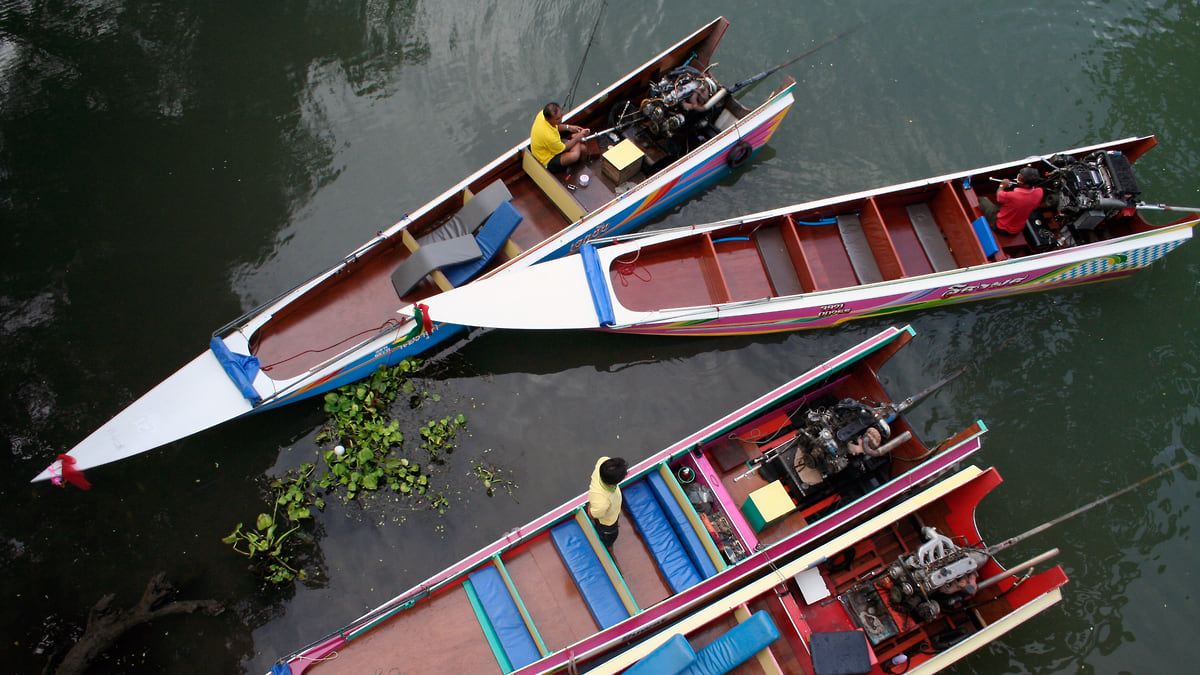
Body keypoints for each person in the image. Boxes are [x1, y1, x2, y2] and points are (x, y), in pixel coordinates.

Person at [980, 166, 1045, 235]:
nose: (1017, 179)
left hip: (1001, 227)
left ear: (1027, 185)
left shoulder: (1013, 196)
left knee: (982, 199)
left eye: (1020, 179)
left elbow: (999, 196)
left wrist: (1002, 185)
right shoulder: (1039, 192)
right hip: (1017, 229)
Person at [530, 102, 590, 174]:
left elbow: (555, 125)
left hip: (552, 146)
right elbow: (564, 148)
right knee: (575, 155)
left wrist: (569, 127)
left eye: (561, 115)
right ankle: (568, 168)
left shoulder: (542, 115)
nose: (561, 119)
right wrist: (578, 137)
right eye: (558, 119)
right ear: (548, 119)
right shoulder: (549, 137)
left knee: (583, 148)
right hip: (547, 159)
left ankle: (582, 167)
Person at [587, 456, 628, 554]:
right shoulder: (602, 502)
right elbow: (594, 514)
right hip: (607, 524)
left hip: (610, 511)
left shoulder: (602, 461)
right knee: (609, 539)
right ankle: (610, 552)